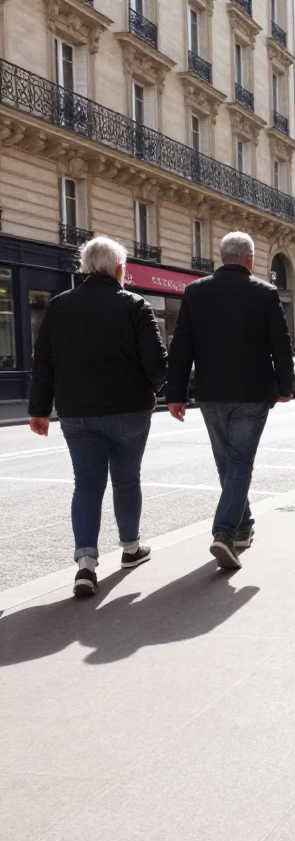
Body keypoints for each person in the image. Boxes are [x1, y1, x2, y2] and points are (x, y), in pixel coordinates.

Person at [27, 236, 167, 597]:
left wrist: (39, 409)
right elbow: (156, 363)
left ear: (84, 268)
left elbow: (44, 361)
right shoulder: (135, 305)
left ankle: (86, 564)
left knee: (87, 485)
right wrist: (155, 388)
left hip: (78, 411)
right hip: (129, 409)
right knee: (126, 480)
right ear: (120, 269)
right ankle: (131, 548)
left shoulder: (59, 307)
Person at [167, 231, 293, 570]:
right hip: (252, 393)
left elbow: (181, 347)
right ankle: (224, 533)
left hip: (211, 393)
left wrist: (175, 394)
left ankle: (243, 527)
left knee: (228, 464)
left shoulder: (195, 292)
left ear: (222, 257)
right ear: (250, 260)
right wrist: (285, 386)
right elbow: (280, 345)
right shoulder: (265, 293)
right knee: (239, 465)